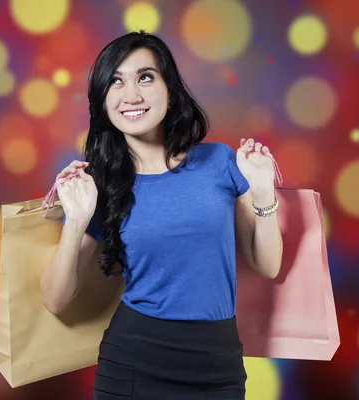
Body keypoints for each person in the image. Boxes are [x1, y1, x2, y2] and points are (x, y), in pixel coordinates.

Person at [40, 31, 283, 400]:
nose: (131, 95)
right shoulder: (102, 186)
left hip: (217, 364)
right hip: (135, 362)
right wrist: (75, 222)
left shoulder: (220, 162)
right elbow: (55, 300)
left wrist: (263, 192)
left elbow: (268, 265)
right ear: (104, 101)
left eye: (145, 77)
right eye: (116, 82)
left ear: (170, 92)